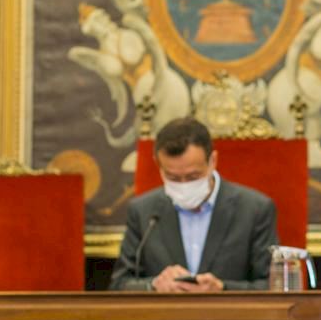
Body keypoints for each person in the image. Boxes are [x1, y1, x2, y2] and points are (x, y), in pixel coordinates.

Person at [110, 117, 278, 291]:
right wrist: (153, 285)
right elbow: (119, 285)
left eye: (193, 177)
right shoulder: (143, 211)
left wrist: (222, 289)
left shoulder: (254, 209)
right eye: (173, 177)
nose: (184, 185)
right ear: (158, 165)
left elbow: (272, 286)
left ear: (212, 161)